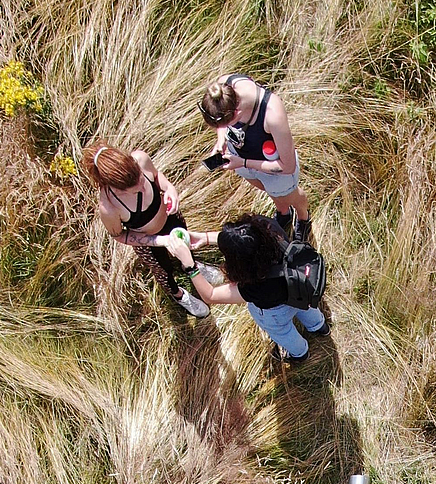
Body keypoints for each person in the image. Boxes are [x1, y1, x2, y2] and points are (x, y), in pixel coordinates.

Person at [163, 213, 328, 363]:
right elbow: (248, 240)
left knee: (283, 332)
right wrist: (205, 238)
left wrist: (189, 266)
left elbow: (211, 295)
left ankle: (300, 353)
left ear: (240, 264)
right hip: (300, 287)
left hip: (276, 313)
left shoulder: (255, 285)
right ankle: (320, 326)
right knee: (305, 309)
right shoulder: (272, 230)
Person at [81, 140, 211, 317]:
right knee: (164, 271)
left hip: (171, 219)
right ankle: (179, 295)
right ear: (118, 190)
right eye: (136, 191)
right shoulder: (109, 208)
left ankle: (191, 265)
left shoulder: (140, 159)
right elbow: (119, 236)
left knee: (187, 243)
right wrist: (159, 241)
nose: (143, 187)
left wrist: (169, 189)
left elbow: (157, 176)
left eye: (142, 180)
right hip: (149, 244)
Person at [197, 74, 310, 242]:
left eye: (227, 124)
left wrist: (243, 162)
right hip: (239, 159)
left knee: (290, 194)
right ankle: (284, 212)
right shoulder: (222, 90)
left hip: (272, 167)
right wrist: (221, 140)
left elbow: (288, 166)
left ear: (237, 112)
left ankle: (303, 218)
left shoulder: (272, 113)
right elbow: (222, 125)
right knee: (270, 190)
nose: (225, 128)